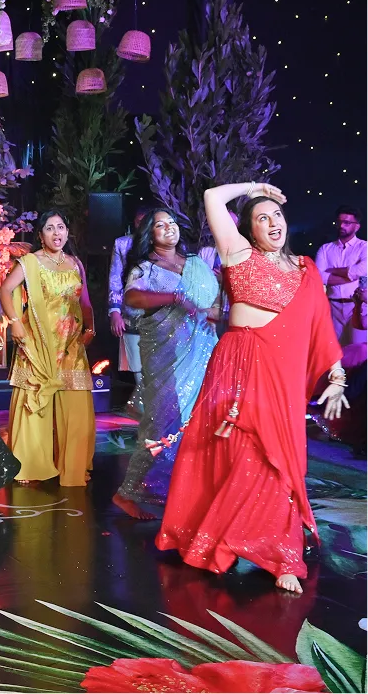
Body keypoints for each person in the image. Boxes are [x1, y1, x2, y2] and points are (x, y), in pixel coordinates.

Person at [157, 183, 347, 595]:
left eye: (276, 215)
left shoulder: (305, 268)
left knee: (275, 457)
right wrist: (254, 188)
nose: (272, 222)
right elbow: (211, 197)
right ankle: (219, 534)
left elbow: (320, 327)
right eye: (261, 217)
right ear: (249, 229)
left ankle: (280, 552)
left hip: (281, 373)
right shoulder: (238, 252)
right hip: (238, 366)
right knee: (234, 452)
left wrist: (337, 376)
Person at [112, 208, 219, 520]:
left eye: (172, 222)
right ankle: (126, 493)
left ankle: (190, 492)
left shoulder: (197, 264)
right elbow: (132, 297)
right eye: (160, 225)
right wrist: (174, 298)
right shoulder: (145, 268)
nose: (169, 227)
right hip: (165, 354)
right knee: (161, 423)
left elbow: (214, 300)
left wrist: (214, 311)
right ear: (150, 234)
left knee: (202, 421)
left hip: (203, 350)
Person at [0, 210, 96, 487]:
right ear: (41, 235)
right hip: (39, 342)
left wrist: (91, 328)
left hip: (70, 343)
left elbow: (85, 301)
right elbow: (4, 291)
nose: (57, 233)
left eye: (61, 227)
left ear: (67, 232)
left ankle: (73, 465)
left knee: (76, 405)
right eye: (50, 228)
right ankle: (29, 464)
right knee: (35, 400)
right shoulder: (30, 262)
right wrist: (15, 323)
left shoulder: (75, 263)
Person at [108, 207, 147, 417]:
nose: (144, 225)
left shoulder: (166, 246)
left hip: (162, 315)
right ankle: (144, 411)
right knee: (138, 367)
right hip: (132, 314)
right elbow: (115, 279)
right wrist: (114, 311)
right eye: (140, 221)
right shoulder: (123, 244)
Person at [314, 205, 367, 344]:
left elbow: (361, 271)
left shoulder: (364, 247)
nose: (342, 226)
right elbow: (318, 277)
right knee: (334, 350)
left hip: (357, 307)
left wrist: (332, 270)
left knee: (357, 349)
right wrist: (351, 276)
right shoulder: (325, 249)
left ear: (357, 226)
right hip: (332, 308)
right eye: (339, 222)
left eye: (347, 222)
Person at [199, 209, 239, 337]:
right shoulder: (205, 253)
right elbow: (196, 281)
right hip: (206, 313)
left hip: (232, 315)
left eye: (231, 224)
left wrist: (227, 278)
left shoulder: (243, 255)